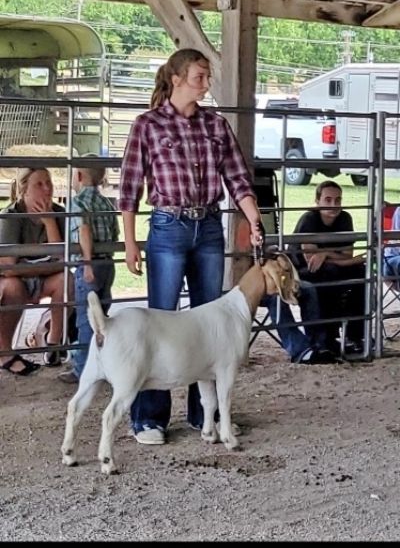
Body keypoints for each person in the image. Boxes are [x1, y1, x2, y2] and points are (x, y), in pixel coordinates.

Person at [120, 48, 263, 445]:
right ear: (178, 77)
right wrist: (131, 242)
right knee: (160, 317)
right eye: (200, 75)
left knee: (210, 321)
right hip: (167, 224)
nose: (206, 82)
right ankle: (149, 417)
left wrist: (252, 217)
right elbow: (129, 187)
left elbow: (237, 177)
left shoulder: (216, 125)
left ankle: (208, 414)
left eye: (206, 76)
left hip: (210, 226)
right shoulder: (147, 125)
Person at [0, 167, 72, 375]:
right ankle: (5, 353)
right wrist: (46, 267)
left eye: (48, 182)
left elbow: (63, 260)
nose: (47, 188)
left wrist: (49, 222)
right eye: (39, 184)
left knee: (66, 280)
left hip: (40, 277)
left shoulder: (59, 213)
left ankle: (52, 345)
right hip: (17, 281)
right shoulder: (12, 215)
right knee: (12, 287)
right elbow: (7, 266)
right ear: (24, 190)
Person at [58, 156, 119, 384]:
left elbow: (83, 230)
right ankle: (103, 364)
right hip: (108, 264)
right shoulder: (107, 203)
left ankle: (82, 370)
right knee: (102, 317)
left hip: (89, 266)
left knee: (86, 320)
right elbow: (114, 234)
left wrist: (86, 262)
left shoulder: (77, 203)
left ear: (79, 177)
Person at [288, 180, 366, 354]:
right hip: (301, 270)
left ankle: (355, 335)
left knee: (361, 273)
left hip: (331, 267)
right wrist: (336, 258)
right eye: (328, 200)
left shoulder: (345, 218)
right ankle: (327, 338)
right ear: (317, 202)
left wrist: (325, 254)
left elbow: (348, 255)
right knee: (328, 273)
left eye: (338, 200)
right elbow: (311, 260)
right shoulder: (309, 219)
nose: (334, 205)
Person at [261, 281, 340, 364]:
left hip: (280, 280)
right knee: (276, 298)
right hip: (255, 287)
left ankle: (318, 344)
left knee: (308, 288)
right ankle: (300, 351)